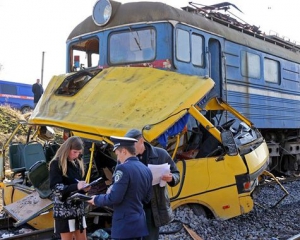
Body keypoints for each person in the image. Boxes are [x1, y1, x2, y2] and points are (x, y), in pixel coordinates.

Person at [87, 136, 153, 240]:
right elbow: (147, 198)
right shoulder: (146, 169)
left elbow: (114, 198)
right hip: (139, 224)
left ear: (124, 151)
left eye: (117, 154)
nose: (117, 158)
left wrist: (96, 199)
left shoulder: (123, 169)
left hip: (124, 226)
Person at [125, 129, 180, 240]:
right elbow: (116, 177)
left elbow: (176, 174)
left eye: (132, 145)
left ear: (141, 141)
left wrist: (171, 178)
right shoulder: (125, 156)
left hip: (151, 208)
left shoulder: (161, 154)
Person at [49, 136, 90, 240]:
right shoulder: (56, 164)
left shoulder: (77, 163)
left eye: (78, 153)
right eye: (74, 152)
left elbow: (76, 184)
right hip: (64, 211)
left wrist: (83, 189)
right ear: (67, 149)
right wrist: (76, 186)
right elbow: (56, 189)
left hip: (78, 210)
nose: (76, 155)